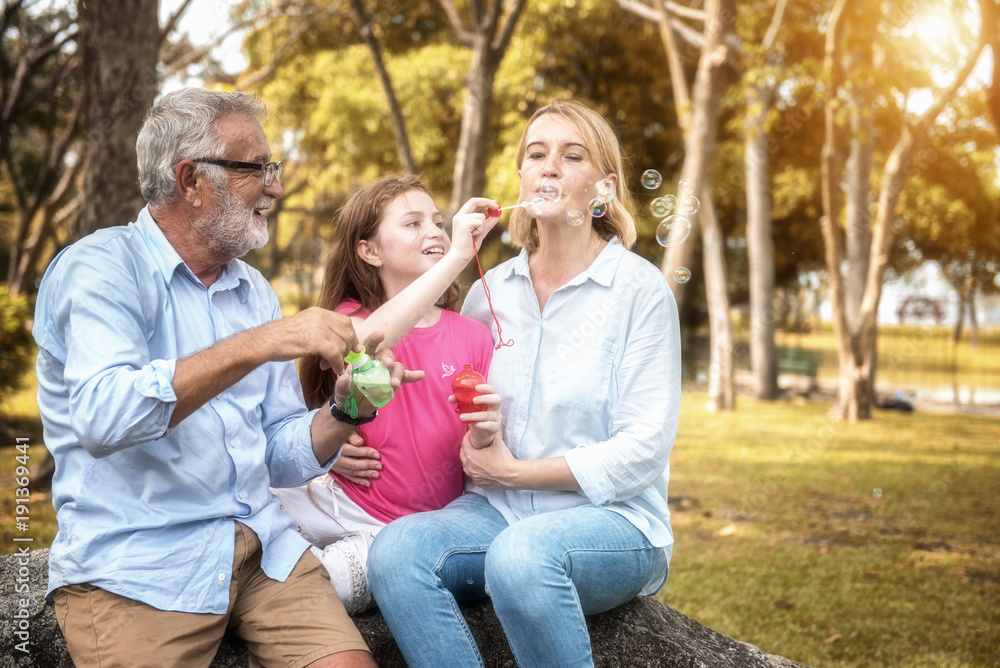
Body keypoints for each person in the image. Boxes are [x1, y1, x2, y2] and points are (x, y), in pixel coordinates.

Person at [32, 87, 418, 668]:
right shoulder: (100, 268)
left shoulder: (252, 289)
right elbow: (103, 417)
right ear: (191, 180)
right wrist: (259, 343)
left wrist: (346, 411)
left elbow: (277, 450)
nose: (276, 187)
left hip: (262, 549)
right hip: (139, 562)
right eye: (257, 169)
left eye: (273, 168)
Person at [366, 99, 682, 667]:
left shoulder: (640, 290)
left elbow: (644, 451)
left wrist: (514, 471)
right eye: (536, 154)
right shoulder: (492, 291)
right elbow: (460, 412)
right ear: (520, 178)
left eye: (572, 155)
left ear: (603, 190)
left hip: (615, 522)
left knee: (521, 557)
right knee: (396, 552)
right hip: (498, 512)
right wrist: (348, 442)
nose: (550, 167)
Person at [272, 174, 502, 614]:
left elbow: (479, 433)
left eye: (437, 221)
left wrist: (485, 435)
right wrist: (457, 255)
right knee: (237, 525)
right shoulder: (347, 317)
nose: (435, 231)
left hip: (400, 531)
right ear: (369, 251)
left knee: (323, 588)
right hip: (332, 498)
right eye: (413, 223)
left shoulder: (472, 335)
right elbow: (363, 343)